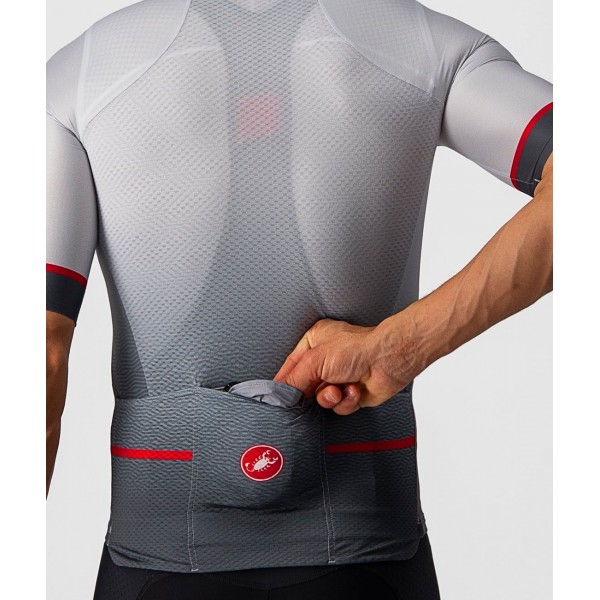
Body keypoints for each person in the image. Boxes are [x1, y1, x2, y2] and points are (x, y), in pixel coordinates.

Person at [46, 0, 552, 598]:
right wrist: (402, 347)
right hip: (368, 565)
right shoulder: (425, 46)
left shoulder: (80, 73)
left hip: (158, 561)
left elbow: (41, 354)